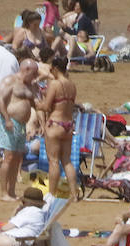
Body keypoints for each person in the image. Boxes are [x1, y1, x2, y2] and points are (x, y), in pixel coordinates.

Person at [0, 58, 39, 201]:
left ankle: (12, 191)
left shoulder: (30, 85)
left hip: (22, 125)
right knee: (8, 157)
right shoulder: (10, 81)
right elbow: (0, 100)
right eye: (34, 73)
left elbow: (34, 103)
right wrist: (7, 119)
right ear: (25, 70)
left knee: (17, 158)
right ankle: (3, 193)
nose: (35, 76)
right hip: (10, 122)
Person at [38, 55, 77, 198]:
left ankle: (51, 195)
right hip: (68, 125)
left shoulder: (54, 84)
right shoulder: (72, 85)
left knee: (53, 161)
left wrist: (35, 103)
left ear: (54, 68)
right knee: (66, 160)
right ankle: (74, 194)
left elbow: (47, 106)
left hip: (55, 124)